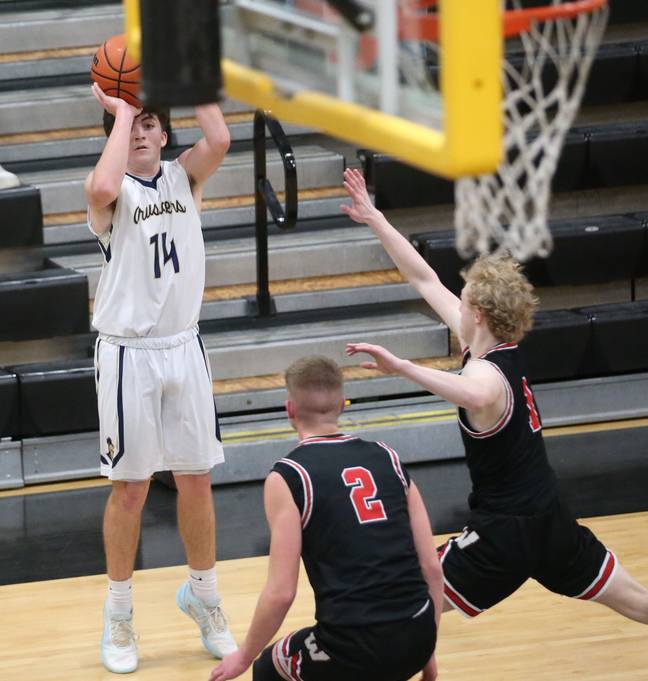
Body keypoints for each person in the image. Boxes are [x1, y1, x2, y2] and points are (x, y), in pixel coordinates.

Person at [341, 166, 648, 681]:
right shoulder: (492, 347)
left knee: (403, 604)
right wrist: (375, 218)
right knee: (645, 603)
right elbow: (423, 277)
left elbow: (470, 392)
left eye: (464, 297)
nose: (457, 299)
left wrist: (400, 367)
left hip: (502, 536)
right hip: (550, 521)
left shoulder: (486, 377)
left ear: (481, 315)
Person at [84, 81, 236, 673]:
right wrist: (121, 111)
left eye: (151, 123)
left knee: (197, 481)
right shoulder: (109, 190)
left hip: (184, 346)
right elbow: (100, 183)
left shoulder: (183, 177)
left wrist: (190, 80)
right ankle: (119, 615)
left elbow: (219, 136)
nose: (142, 131)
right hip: (127, 354)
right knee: (132, 488)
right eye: (133, 125)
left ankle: (204, 598)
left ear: (166, 134)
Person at [209, 355, 442, 681]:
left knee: (267, 667)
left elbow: (281, 594)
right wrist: (426, 647)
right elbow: (431, 567)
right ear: (342, 406)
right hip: (417, 633)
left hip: (353, 647)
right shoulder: (388, 458)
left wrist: (243, 656)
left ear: (290, 410)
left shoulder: (289, 475)